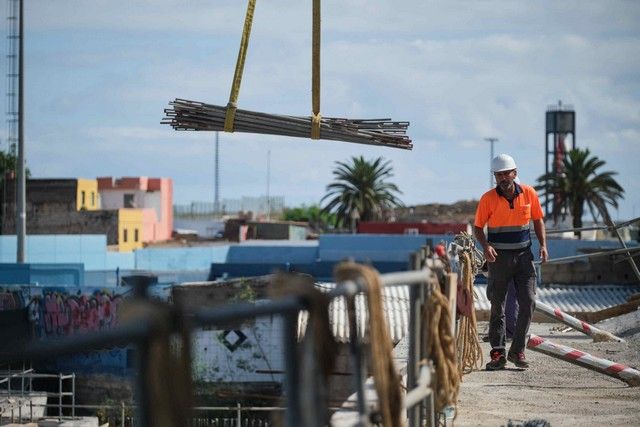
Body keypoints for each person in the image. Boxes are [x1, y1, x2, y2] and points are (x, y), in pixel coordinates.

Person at [474, 154, 548, 370]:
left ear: (515, 173)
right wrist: (486, 246)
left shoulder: (529, 193)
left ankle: (518, 351)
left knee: (528, 301)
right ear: (495, 177)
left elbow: (538, 220)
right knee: (498, 306)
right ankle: (498, 354)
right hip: (499, 259)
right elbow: (478, 227)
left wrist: (543, 245)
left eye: (507, 173)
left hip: (524, 258)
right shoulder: (487, 199)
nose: (504, 178)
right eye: (499, 175)